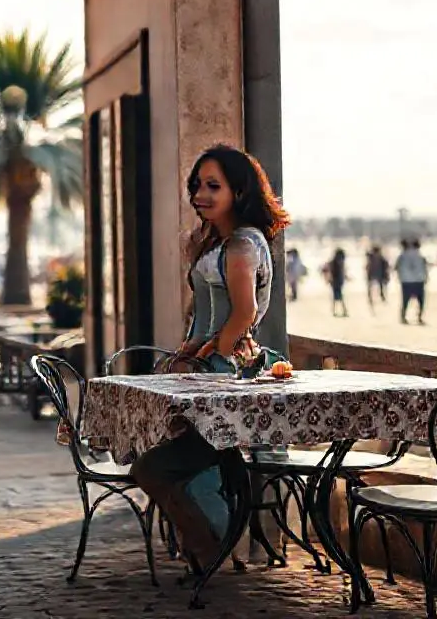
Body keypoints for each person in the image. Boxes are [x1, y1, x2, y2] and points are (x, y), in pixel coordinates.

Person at [124, 144, 291, 570]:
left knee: (159, 465)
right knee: (160, 458)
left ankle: (211, 544)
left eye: (213, 186)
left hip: (223, 375)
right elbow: (206, 314)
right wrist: (190, 350)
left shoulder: (242, 243)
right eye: (197, 185)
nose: (200, 193)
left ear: (239, 190)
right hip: (204, 369)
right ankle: (206, 545)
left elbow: (245, 313)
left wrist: (208, 355)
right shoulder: (216, 240)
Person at [395, 238, 428, 325]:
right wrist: (426, 277)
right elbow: (425, 267)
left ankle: (403, 317)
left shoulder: (402, 255)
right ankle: (419, 317)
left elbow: (396, 267)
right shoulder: (420, 255)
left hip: (406, 280)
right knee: (420, 301)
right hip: (419, 280)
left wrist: (400, 276)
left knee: (405, 301)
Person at [323, 248, 349, 317]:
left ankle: (336, 311)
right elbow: (327, 270)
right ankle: (342, 310)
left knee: (337, 297)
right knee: (339, 296)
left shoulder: (336, 262)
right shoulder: (334, 263)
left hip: (337, 282)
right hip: (335, 282)